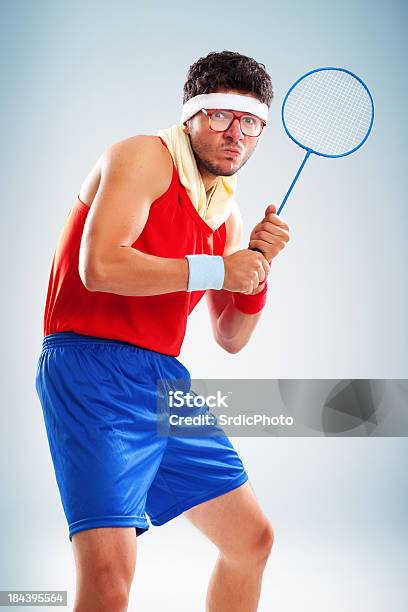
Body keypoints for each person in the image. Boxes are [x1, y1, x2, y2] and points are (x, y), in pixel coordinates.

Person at [35, 50, 290, 612]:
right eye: (221, 115)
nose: (235, 134)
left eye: (250, 122)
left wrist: (258, 270)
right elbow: (99, 265)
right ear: (190, 116)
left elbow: (231, 335)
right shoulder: (142, 157)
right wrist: (221, 268)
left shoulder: (227, 213)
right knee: (109, 576)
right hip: (89, 366)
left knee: (251, 540)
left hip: (163, 380)